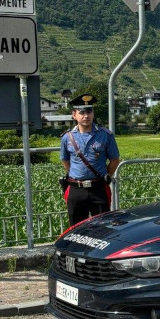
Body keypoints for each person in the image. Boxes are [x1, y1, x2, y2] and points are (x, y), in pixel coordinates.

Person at [60, 94, 120, 225]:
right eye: (81, 112)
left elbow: (115, 160)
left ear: (93, 114)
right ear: (74, 115)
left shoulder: (105, 135)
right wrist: (77, 175)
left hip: (98, 188)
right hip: (76, 189)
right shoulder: (67, 137)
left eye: (89, 112)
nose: (86, 116)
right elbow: (65, 161)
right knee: (76, 229)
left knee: (103, 228)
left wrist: (106, 176)